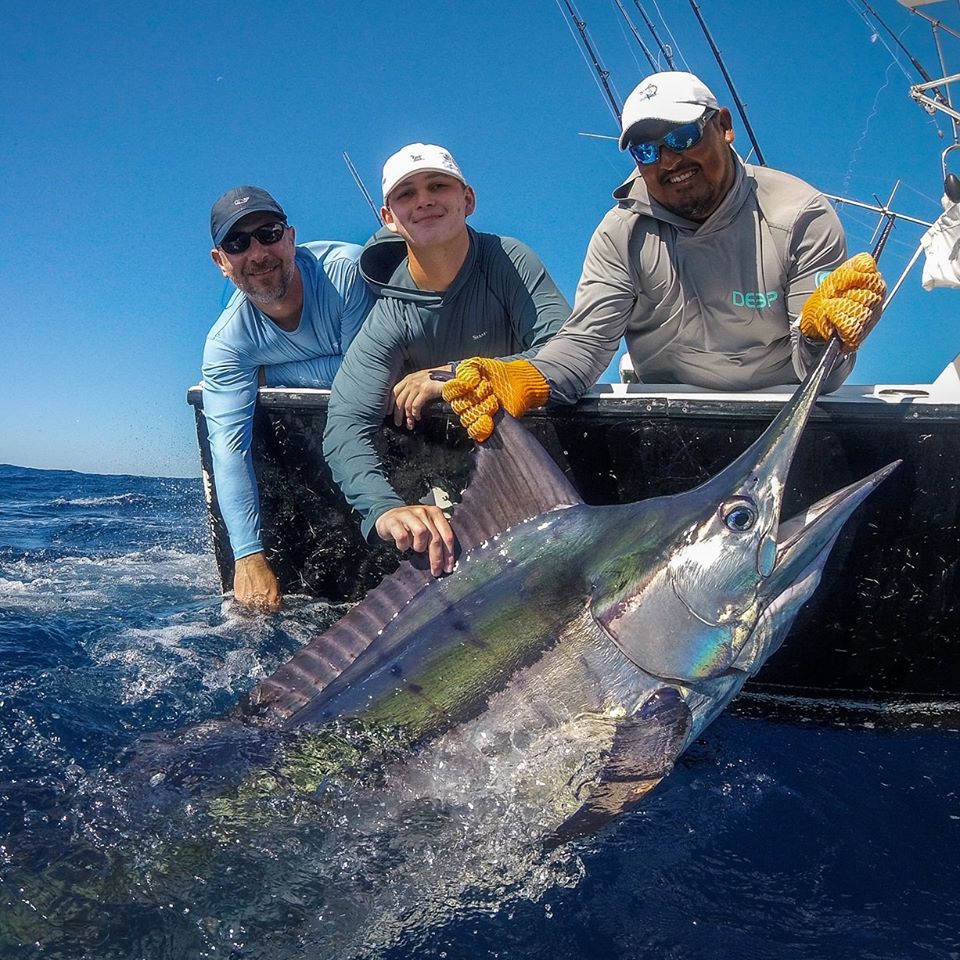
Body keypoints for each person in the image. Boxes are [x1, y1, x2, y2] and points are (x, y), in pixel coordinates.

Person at [441, 71, 887, 443]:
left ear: (724, 125)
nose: (668, 160)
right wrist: (522, 377)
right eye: (647, 150)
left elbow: (821, 378)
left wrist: (818, 335)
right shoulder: (620, 233)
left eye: (682, 136)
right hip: (664, 423)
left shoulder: (801, 216)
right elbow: (586, 344)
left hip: (785, 417)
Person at [322, 143, 571, 577]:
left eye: (438, 185)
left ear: (467, 200)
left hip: (540, 469)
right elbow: (344, 424)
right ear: (389, 218)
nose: (424, 200)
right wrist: (384, 510)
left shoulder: (508, 262)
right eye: (406, 194)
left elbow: (566, 350)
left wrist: (452, 374)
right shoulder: (391, 314)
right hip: (447, 475)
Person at [203, 185, 373, 611]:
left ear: (291, 238)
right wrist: (247, 556)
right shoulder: (226, 345)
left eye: (269, 233)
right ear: (221, 262)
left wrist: (269, 374)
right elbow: (228, 448)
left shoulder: (347, 273)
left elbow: (369, 376)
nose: (258, 252)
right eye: (237, 243)